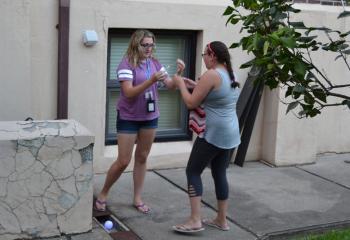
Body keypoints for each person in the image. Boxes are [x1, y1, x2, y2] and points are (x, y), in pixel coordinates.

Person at [95, 29, 181, 214]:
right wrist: (151, 80)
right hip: (129, 117)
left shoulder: (155, 63)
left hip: (150, 117)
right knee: (124, 161)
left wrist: (179, 74)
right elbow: (129, 92)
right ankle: (103, 193)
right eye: (145, 45)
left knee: (142, 158)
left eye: (152, 44)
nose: (149, 48)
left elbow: (171, 86)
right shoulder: (126, 64)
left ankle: (137, 198)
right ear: (136, 44)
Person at [172, 41, 240, 232]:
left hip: (213, 133)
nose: (203, 59)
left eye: (204, 55)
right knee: (219, 172)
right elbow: (218, 94)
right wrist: (195, 84)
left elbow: (191, 103)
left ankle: (195, 220)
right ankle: (221, 220)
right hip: (230, 132)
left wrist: (180, 84)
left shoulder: (211, 74)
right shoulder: (229, 72)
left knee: (192, 171)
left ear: (213, 56)